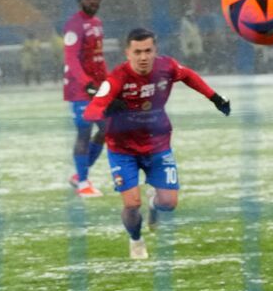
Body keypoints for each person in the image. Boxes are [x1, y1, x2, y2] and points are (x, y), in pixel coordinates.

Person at [82, 28, 231, 259]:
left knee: (169, 203)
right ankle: (136, 239)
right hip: (123, 150)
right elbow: (91, 111)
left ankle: (154, 204)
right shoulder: (117, 78)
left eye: (148, 51)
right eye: (137, 52)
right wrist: (108, 109)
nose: (143, 57)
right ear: (127, 53)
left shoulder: (166, 67)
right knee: (131, 204)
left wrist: (214, 98)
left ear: (155, 51)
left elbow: (189, 75)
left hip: (158, 145)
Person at [63, 0, 108, 197]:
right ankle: (83, 184)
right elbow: (71, 58)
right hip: (79, 89)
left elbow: (98, 59)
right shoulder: (74, 25)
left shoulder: (97, 24)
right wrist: (86, 83)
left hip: (97, 88)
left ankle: (80, 174)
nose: (93, 1)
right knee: (84, 132)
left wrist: (109, 83)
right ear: (81, 0)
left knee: (108, 128)